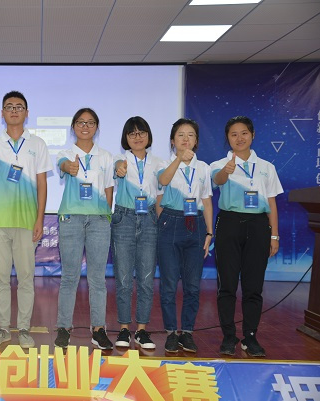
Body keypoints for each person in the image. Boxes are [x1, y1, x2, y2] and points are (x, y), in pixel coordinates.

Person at [0, 90, 52, 349]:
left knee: (25, 278)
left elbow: (42, 185)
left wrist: (39, 219)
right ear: (2, 113)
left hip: (27, 221)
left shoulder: (38, 144)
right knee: (0, 278)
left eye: (19, 106)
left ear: (26, 113)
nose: (14, 110)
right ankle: (3, 329)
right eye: (9, 107)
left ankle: (23, 328)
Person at [211, 116, 282, 357]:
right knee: (227, 285)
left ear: (252, 135)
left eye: (244, 133)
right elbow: (216, 181)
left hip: (258, 225)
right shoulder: (220, 164)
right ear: (227, 138)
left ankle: (250, 337)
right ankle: (228, 336)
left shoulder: (266, 167)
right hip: (229, 223)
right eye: (234, 134)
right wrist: (226, 171)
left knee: (253, 286)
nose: (239, 138)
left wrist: (274, 236)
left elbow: (272, 202)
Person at [54, 108, 114, 350]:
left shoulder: (106, 156)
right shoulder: (66, 154)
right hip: (71, 218)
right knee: (69, 276)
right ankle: (63, 328)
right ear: (73, 127)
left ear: (96, 127)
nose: (85, 126)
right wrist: (68, 167)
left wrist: (105, 215)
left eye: (90, 122)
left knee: (97, 278)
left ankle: (98, 329)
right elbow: (63, 165)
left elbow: (109, 189)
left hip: (99, 220)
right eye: (80, 122)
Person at [157, 118, 213, 353]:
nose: (186, 139)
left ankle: (187, 332)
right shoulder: (165, 163)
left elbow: (206, 201)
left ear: (196, 140)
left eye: (190, 135)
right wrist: (179, 159)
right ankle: (171, 332)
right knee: (169, 284)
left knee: (192, 285)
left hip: (196, 224)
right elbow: (163, 180)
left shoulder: (204, 168)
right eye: (180, 135)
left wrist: (209, 232)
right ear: (172, 141)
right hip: (171, 222)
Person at [112, 116, 164, 350]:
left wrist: (158, 220)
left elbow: (160, 192)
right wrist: (119, 168)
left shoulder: (158, 163)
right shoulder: (119, 159)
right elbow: (117, 169)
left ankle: (142, 330)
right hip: (124, 218)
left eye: (141, 132)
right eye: (132, 133)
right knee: (123, 279)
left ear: (148, 136)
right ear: (126, 138)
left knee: (146, 279)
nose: (137, 137)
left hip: (149, 219)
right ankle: (124, 328)